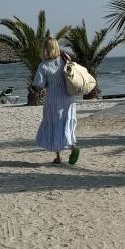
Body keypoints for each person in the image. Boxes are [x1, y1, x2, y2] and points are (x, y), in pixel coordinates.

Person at [33, 33, 79, 164]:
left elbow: (39, 85)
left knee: (55, 125)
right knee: (67, 123)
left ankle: (58, 157)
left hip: (53, 101)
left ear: (45, 49)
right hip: (68, 99)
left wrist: (35, 87)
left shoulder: (44, 65)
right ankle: (73, 146)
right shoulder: (65, 60)